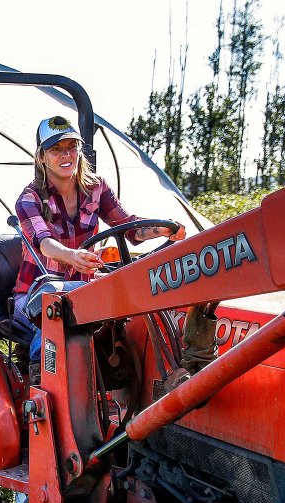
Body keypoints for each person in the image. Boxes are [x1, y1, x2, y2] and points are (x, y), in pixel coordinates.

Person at [12, 115, 186, 365]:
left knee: (132, 316)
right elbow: (45, 243)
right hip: (36, 294)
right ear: (41, 157)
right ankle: (44, 385)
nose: (66, 155)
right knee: (54, 324)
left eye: (72, 147)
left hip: (84, 292)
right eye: (56, 149)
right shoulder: (30, 200)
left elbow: (129, 228)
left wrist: (161, 229)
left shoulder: (96, 188)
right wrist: (72, 256)